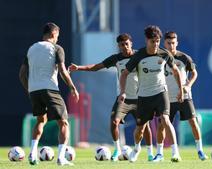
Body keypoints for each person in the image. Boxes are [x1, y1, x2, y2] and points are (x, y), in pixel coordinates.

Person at [68, 33, 154, 161]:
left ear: (131, 43)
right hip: (123, 98)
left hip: (140, 98)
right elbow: (96, 67)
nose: (124, 47)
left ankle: (150, 153)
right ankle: (117, 149)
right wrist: (78, 67)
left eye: (126, 44)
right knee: (114, 122)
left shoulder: (140, 56)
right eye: (121, 45)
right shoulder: (116, 58)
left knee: (144, 126)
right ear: (118, 46)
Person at [118, 25, 184, 163]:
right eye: (153, 41)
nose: (156, 45)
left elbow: (176, 71)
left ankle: (174, 152)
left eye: (158, 41)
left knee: (165, 120)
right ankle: (136, 149)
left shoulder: (164, 53)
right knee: (140, 129)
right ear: (146, 40)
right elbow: (124, 74)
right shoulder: (139, 56)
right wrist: (122, 92)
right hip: (143, 96)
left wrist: (181, 90)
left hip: (161, 93)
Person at [19, 22, 79, 166]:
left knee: (41, 120)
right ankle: (61, 158)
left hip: (34, 91)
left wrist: (29, 90)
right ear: (53, 34)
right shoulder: (56, 48)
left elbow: (22, 74)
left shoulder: (31, 48)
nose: (57, 39)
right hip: (50, 89)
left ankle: (33, 155)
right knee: (64, 122)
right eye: (57, 36)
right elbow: (63, 71)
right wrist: (72, 87)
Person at [152, 31, 208, 162]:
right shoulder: (159, 57)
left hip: (184, 96)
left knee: (193, 122)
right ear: (164, 43)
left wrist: (188, 85)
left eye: (173, 43)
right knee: (162, 125)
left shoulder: (184, 58)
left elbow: (194, 73)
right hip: (166, 97)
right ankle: (159, 153)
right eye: (168, 43)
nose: (171, 46)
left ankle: (200, 150)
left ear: (177, 43)